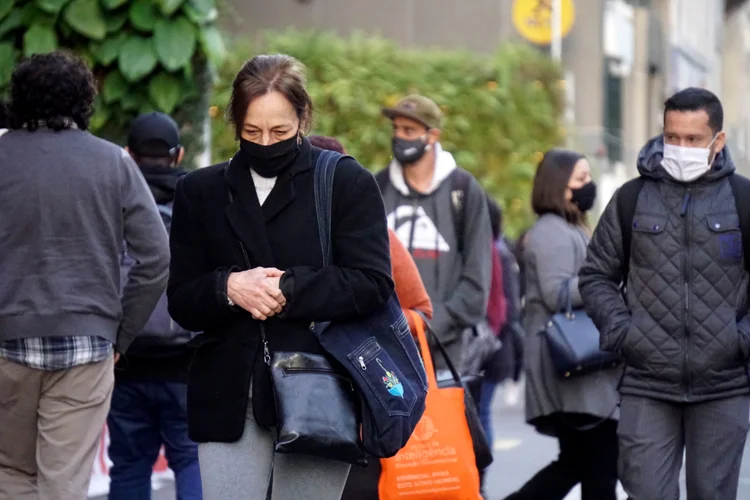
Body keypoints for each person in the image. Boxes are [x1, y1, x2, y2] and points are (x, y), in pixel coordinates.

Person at [166, 54, 394, 500]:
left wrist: (285, 289)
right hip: (229, 392)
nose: (265, 143)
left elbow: (372, 282)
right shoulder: (201, 191)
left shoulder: (344, 183)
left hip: (319, 387)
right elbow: (181, 299)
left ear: (303, 117)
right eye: (252, 132)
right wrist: (228, 287)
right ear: (235, 123)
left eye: (280, 132)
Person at [0, 52, 170, 499]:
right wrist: (120, 334)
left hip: (5, 342)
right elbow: (155, 258)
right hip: (87, 343)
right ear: (84, 102)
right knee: (65, 482)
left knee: (10, 473)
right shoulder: (113, 162)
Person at [579, 87, 750, 500]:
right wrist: (626, 334)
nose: (681, 148)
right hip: (646, 384)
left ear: (717, 141)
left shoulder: (743, 200)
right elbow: (596, 276)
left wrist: (740, 339)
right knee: (647, 493)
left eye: (693, 139)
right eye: (672, 137)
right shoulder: (631, 199)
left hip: (724, 384)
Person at [308, 134, 433, 500]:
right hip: (299, 394)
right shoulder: (284, 234)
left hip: (363, 393)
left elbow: (422, 312)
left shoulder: (376, 236)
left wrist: (368, 323)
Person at [503, 149, 620, 500]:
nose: (589, 186)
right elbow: (557, 294)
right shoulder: (551, 232)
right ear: (558, 186)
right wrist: (608, 279)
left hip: (578, 369)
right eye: (580, 179)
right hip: (569, 366)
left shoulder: (572, 228)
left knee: (582, 462)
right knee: (597, 461)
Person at [107, 112, 202, 500]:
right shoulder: (198, 199)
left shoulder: (112, 199)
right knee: (191, 459)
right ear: (178, 156)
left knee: (129, 465)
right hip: (185, 366)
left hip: (124, 359)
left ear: (129, 154)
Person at [376, 94, 492, 373]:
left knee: (442, 418)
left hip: (444, 355)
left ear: (432, 136)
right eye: (396, 129)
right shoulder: (377, 187)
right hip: (384, 350)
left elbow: (477, 280)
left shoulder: (463, 191)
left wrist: (433, 324)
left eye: (409, 131)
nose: (399, 137)